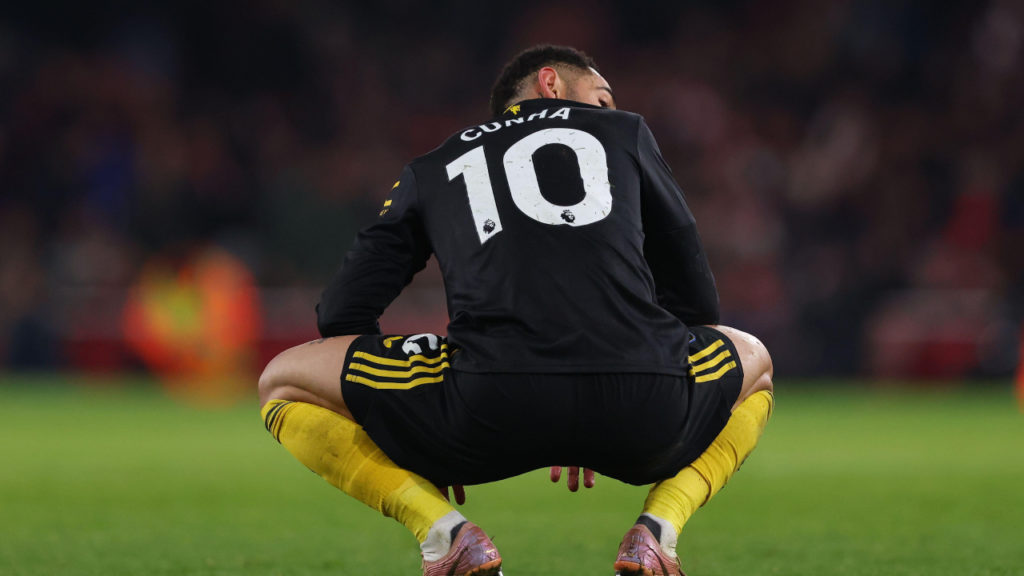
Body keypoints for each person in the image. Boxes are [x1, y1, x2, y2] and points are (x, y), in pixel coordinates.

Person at [258, 44, 774, 576]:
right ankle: (658, 531)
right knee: (755, 362)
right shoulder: (626, 132)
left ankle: (442, 532)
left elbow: (342, 314)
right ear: (551, 83)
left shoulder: (434, 166)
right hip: (644, 408)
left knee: (283, 381)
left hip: (485, 408)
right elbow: (696, 300)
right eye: (602, 98)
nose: (609, 111)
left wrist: (409, 433)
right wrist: (607, 374)